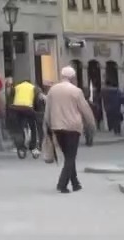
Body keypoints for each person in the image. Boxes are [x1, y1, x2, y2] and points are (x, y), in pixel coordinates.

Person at [45, 66, 99, 194]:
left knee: (68, 156)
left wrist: (47, 124)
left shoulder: (53, 90)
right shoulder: (76, 91)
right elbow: (85, 109)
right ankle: (62, 184)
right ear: (72, 77)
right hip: (73, 127)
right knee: (70, 157)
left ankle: (75, 183)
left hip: (57, 127)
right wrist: (91, 124)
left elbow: (48, 109)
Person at [7, 73, 39, 159]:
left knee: (19, 128)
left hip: (17, 109)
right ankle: (33, 146)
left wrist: (10, 110)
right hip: (28, 108)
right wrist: (36, 110)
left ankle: (21, 147)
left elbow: (10, 100)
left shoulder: (16, 87)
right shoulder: (33, 87)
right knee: (33, 127)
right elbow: (36, 100)